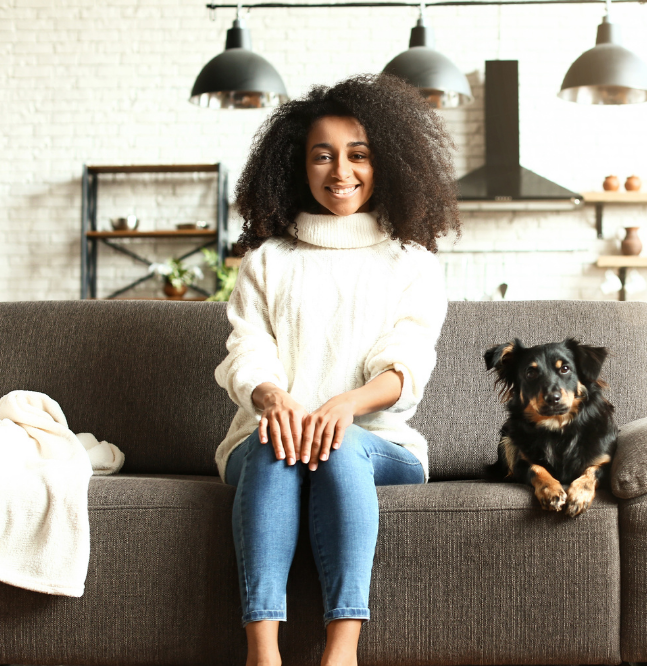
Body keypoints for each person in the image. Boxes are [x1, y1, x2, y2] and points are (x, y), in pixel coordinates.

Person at [214, 73, 461, 666]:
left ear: (387, 165)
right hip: (272, 437)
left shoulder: (413, 264)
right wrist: (274, 400)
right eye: (322, 156)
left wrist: (344, 406)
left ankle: (342, 650)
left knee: (340, 444)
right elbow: (247, 350)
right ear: (297, 164)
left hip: (379, 443)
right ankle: (263, 653)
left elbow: (408, 361)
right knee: (278, 442)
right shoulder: (267, 261)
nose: (340, 171)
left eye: (359, 155)